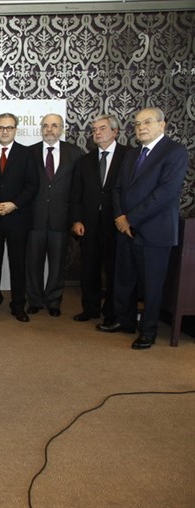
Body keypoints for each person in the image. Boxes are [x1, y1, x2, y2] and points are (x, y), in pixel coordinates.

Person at [99, 107, 189, 349]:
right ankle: (124, 321)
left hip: (154, 232)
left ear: (162, 125)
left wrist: (131, 219)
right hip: (125, 229)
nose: (141, 127)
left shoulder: (175, 152)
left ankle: (148, 330)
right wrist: (120, 217)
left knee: (152, 285)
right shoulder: (132, 154)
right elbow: (118, 189)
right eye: (137, 124)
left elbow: (165, 193)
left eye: (147, 122)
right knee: (124, 280)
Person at [69, 115, 128, 325]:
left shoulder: (128, 156)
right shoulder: (85, 160)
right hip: (89, 223)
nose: (97, 133)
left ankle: (111, 311)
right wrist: (76, 220)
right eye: (94, 130)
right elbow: (76, 193)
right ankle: (90, 309)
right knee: (89, 268)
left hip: (117, 222)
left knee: (114, 270)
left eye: (102, 128)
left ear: (115, 131)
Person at [26, 114, 84, 317]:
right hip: (34, 219)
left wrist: (76, 218)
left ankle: (53, 300)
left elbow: (77, 189)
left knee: (58, 264)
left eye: (54, 126)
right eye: (45, 126)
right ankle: (34, 300)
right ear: (41, 129)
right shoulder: (30, 152)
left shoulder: (74, 152)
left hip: (61, 218)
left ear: (61, 129)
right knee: (33, 263)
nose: (49, 130)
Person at [0, 113, 38, 322]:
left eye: (9, 127)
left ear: (16, 129)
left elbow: (33, 184)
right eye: (1, 127)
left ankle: (18, 305)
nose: (4, 131)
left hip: (18, 218)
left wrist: (13, 204)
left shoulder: (27, 153)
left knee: (18, 264)